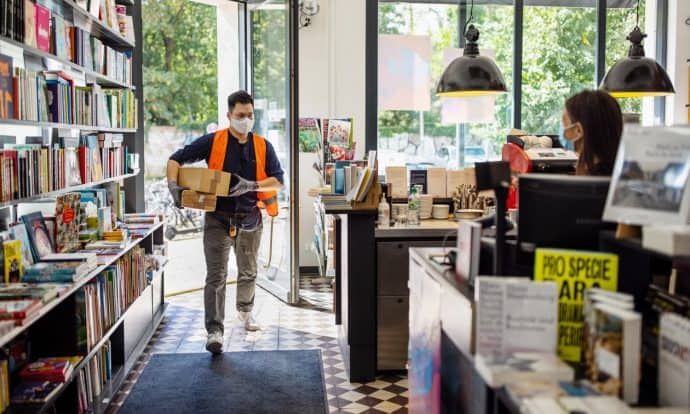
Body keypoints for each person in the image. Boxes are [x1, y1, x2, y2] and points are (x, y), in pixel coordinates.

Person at [166, 91, 284, 354]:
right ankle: (215, 331)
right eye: (240, 116)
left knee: (248, 271)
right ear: (229, 115)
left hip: (251, 218)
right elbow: (176, 159)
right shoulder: (214, 141)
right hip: (218, 219)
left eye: (250, 116)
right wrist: (173, 186)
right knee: (216, 276)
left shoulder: (263, 146)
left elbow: (278, 180)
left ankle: (245, 313)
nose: (246, 120)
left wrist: (251, 185)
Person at [560, 89, 623, 176]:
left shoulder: (588, 183)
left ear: (578, 131)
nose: (562, 130)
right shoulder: (622, 172)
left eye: (564, 123)